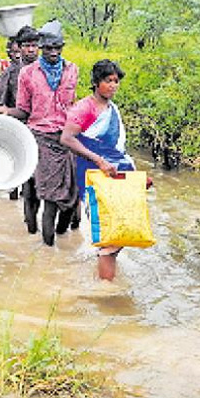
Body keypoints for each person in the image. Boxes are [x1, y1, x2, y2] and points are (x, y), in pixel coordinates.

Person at [0, 21, 79, 246]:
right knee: (49, 199)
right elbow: (23, 111)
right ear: (42, 47)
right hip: (40, 138)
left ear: (62, 47)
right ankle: (47, 251)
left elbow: (73, 105)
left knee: (72, 199)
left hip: (67, 139)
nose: (53, 53)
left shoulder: (72, 69)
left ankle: (59, 242)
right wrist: (6, 112)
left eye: (57, 48)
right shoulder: (27, 73)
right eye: (48, 48)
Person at [61, 59, 134, 280]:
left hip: (114, 174)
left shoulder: (113, 109)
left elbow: (117, 149)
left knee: (121, 231)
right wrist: (99, 160)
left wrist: (135, 178)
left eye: (116, 81)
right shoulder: (85, 108)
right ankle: (107, 289)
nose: (113, 85)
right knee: (108, 236)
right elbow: (67, 138)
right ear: (95, 82)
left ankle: (105, 279)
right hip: (94, 176)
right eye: (107, 81)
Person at [0, 25, 40, 201]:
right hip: (16, 124)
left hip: (39, 127)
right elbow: (1, 101)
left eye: (34, 45)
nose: (30, 50)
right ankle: (14, 201)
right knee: (15, 167)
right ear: (19, 48)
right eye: (26, 46)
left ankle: (30, 208)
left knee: (34, 172)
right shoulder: (11, 71)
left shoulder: (46, 69)